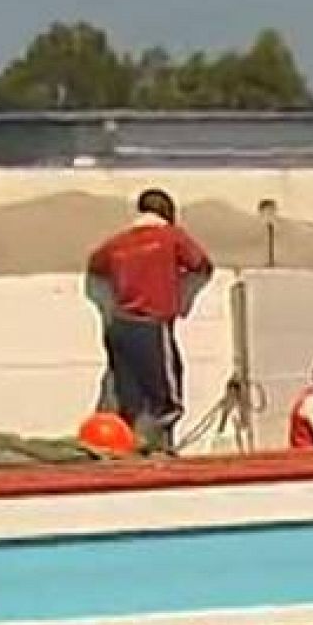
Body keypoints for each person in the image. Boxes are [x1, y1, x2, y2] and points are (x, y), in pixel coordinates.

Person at [86, 189, 213, 452]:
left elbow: (95, 264)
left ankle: (126, 450)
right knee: (165, 399)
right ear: (168, 213)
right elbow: (201, 263)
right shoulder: (171, 237)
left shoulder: (118, 242)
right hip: (151, 325)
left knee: (128, 400)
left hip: (118, 326)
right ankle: (159, 451)